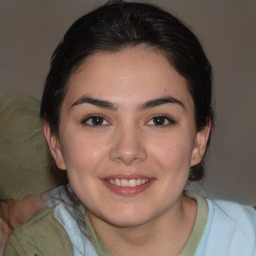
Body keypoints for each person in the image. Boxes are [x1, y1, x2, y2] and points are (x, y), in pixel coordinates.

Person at [4, 1, 256, 255]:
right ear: (55, 143)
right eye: (96, 120)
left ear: (199, 140)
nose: (127, 150)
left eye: (159, 120)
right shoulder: (36, 248)